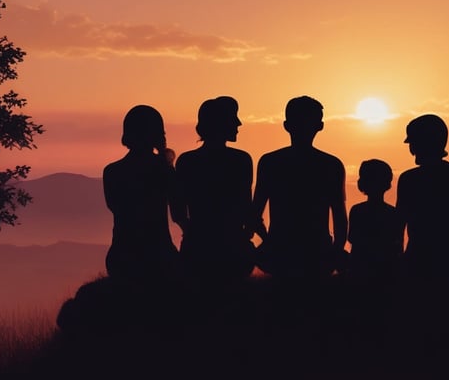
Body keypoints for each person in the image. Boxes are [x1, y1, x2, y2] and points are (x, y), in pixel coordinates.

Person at [252, 96, 348, 280]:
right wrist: (336, 251)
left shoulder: (270, 162)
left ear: (286, 126)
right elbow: (339, 217)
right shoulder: (331, 165)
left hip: (281, 251)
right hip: (317, 252)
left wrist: (268, 241)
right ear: (320, 126)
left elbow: (255, 213)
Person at [172, 96, 256, 283]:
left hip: (197, 251)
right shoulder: (241, 160)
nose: (239, 123)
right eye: (233, 118)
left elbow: (178, 211)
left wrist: (194, 234)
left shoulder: (187, 162)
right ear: (221, 123)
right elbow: (247, 208)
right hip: (233, 251)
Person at [102, 105, 181, 286]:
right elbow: (177, 211)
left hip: (121, 257)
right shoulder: (164, 170)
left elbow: (115, 208)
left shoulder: (112, 172)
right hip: (160, 256)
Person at [395, 114, 449, 279]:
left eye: (413, 143)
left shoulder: (409, 180)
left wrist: (398, 264)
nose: (411, 148)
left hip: (419, 265)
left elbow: (398, 228)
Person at [346, 159, 403, 280]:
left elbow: (352, 239)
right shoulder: (393, 213)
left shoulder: (357, 211)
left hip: (360, 270)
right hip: (387, 271)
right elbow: (397, 244)